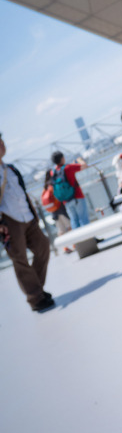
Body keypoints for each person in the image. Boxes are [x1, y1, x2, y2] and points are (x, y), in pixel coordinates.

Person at [0, 132, 55, 312]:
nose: (1, 145)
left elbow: (22, 193)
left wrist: (33, 213)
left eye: (1, 141)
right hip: (9, 222)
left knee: (43, 247)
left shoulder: (12, 169)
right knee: (20, 259)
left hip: (28, 217)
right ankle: (36, 298)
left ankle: (36, 290)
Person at [50, 151, 90, 229]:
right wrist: (79, 160)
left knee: (74, 220)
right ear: (62, 158)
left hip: (65, 200)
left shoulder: (53, 172)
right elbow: (84, 166)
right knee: (83, 218)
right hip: (77, 196)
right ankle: (90, 238)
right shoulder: (68, 167)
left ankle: (79, 240)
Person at [41, 170, 73, 254]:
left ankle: (64, 247)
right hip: (60, 208)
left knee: (61, 230)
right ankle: (75, 243)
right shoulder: (53, 183)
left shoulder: (45, 186)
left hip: (53, 211)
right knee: (69, 226)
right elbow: (58, 194)